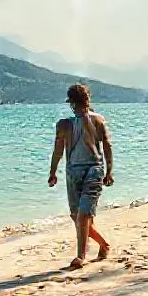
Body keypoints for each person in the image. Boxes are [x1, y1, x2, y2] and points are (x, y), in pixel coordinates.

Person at [47, 83, 114, 269]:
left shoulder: (97, 120)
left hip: (93, 169)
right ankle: (104, 244)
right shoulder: (65, 124)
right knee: (77, 216)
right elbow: (58, 150)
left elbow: (107, 145)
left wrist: (109, 171)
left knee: (83, 215)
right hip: (75, 171)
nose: (76, 106)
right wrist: (52, 172)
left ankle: (80, 256)